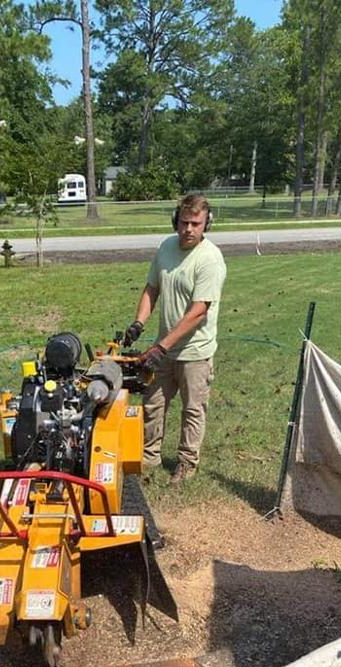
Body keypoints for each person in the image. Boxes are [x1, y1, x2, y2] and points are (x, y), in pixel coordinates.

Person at [124, 192, 226, 482]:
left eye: (196, 223)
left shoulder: (210, 259)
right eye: (184, 223)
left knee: (192, 410)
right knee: (152, 403)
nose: (189, 230)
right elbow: (151, 288)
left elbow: (198, 312)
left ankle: (186, 463)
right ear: (175, 221)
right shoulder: (166, 247)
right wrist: (138, 323)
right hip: (164, 350)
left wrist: (161, 346)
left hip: (195, 351)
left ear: (207, 224)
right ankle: (149, 456)